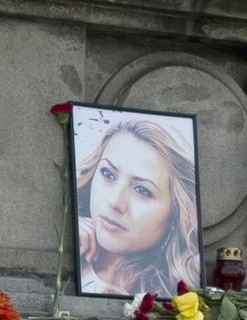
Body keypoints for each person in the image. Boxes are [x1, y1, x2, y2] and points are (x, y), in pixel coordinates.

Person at [74, 115, 202, 297]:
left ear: (175, 214)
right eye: (108, 174)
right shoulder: (67, 248)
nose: (115, 202)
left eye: (142, 190)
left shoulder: (177, 296)